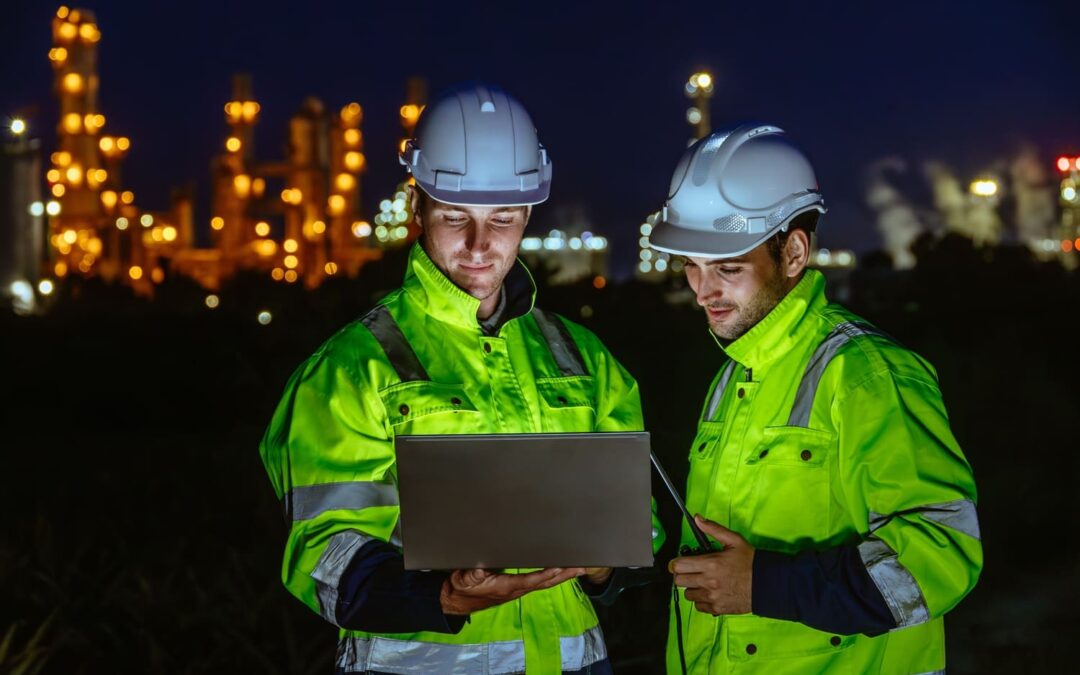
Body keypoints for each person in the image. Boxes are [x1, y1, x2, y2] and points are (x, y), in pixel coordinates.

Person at [259, 82, 662, 675]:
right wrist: (442, 596)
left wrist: (605, 564)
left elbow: (640, 527)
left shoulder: (584, 359)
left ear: (527, 214)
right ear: (417, 207)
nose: (480, 244)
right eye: (455, 217)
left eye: (502, 218)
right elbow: (322, 554)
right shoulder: (350, 369)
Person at [648, 123, 982, 674]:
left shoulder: (868, 374)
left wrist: (765, 585)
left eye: (727, 267)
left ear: (794, 252)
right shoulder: (733, 375)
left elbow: (942, 553)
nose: (704, 291)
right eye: (691, 265)